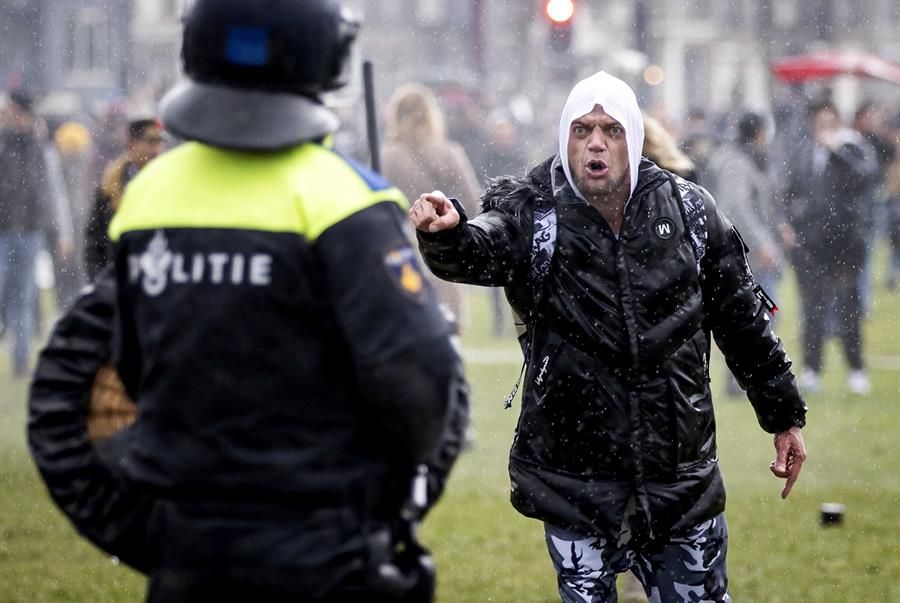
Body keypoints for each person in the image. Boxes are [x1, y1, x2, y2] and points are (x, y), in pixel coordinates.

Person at [29, 1, 468, 601]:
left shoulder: (151, 194)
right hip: (321, 550)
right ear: (325, 61)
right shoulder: (347, 201)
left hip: (188, 551)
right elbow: (422, 393)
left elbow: (127, 363)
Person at [409, 71, 807, 602]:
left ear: (635, 139)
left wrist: (783, 416)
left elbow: (743, 321)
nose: (595, 142)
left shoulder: (689, 210)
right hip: (575, 478)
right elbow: (484, 246)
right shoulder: (536, 211)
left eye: (611, 130)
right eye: (581, 129)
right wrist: (448, 233)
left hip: (678, 478)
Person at [781, 99, 879, 395]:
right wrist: (789, 223)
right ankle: (812, 369)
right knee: (812, 308)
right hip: (812, 244)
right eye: (819, 122)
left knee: (848, 307)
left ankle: (856, 368)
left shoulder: (852, 148)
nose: (823, 128)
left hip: (846, 244)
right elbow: (789, 190)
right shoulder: (803, 152)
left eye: (829, 122)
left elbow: (864, 178)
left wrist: (836, 150)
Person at [381, 83, 481, 329]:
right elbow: (473, 202)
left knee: (408, 326)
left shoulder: (386, 156)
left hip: (400, 248)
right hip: (443, 248)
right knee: (447, 329)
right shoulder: (449, 153)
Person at [0, 90, 62, 377]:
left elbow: (50, 190)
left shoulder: (39, 148)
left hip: (29, 232)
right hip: (4, 230)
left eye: (13, 110)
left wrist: (58, 231)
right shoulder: (4, 143)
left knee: (23, 298)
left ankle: (21, 361)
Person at [83, 117, 165, 281]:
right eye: (150, 142)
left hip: (157, 279)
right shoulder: (110, 186)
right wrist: (100, 281)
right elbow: (95, 240)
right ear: (132, 145)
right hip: (119, 280)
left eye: (159, 143)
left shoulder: (169, 183)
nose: (156, 150)